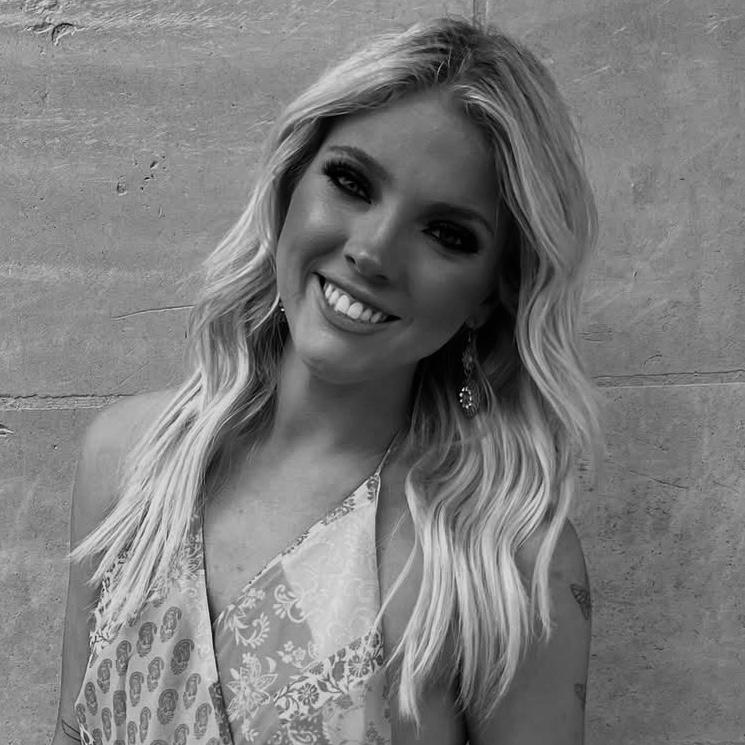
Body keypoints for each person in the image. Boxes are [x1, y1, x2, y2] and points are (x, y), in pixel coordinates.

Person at [52, 15, 605, 745]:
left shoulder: (500, 562)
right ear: (290, 183)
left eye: (447, 234)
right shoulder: (127, 462)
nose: (373, 251)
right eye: (351, 182)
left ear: (490, 294)